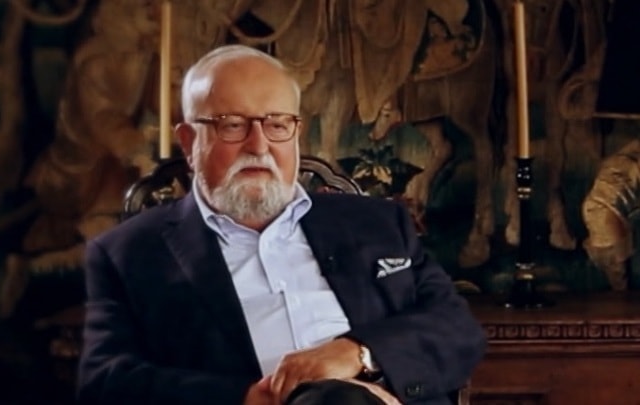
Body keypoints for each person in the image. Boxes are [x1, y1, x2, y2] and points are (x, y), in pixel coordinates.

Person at [77, 44, 486, 405]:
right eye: (232, 125)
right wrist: (243, 399)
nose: (259, 146)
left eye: (276, 125)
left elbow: (457, 330)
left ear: (296, 133)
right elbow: (105, 380)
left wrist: (358, 352)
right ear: (188, 142)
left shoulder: (379, 224)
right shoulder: (127, 254)